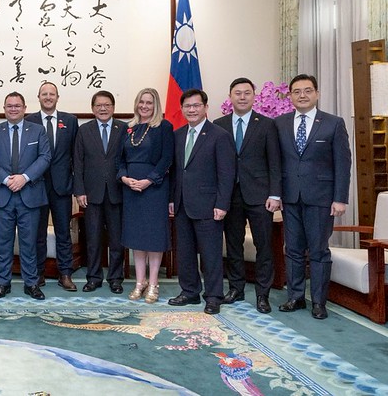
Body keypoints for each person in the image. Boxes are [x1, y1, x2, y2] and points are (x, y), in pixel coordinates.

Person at [275, 74, 351, 320]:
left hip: (321, 198)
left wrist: (340, 198)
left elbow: (343, 164)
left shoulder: (333, 123)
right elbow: (276, 163)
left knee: (318, 251)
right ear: (290, 96)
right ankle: (296, 297)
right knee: (293, 250)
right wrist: (276, 193)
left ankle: (319, 301)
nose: (302, 95)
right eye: (297, 91)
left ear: (317, 93)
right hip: (290, 197)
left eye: (307, 90)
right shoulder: (280, 124)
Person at [213, 77, 281, 314]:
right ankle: (236, 289)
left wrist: (275, 194)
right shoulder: (219, 124)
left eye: (247, 93)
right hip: (230, 195)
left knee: (264, 246)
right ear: (230, 96)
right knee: (233, 245)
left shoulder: (267, 124)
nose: (242, 97)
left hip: (260, 195)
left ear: (254, 96)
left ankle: (263, 294)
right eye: (237, 93)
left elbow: (275, 162)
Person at [168, 89, 236, 315]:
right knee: (185, 252)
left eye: (196, 105)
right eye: (187, 106)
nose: (192, 110)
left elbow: (227, 173)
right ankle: (189, 291)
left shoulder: (219, 135)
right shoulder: (177, 135)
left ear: (206, 107)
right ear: (182, 109)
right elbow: (175, 172)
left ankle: (213, 296)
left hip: (209, 205)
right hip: (182, 204)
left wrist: (222, 204)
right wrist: (172, 199)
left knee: (210, 254)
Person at [0, 92, 51, 300]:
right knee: (3, 243)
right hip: (3, 195)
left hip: (29, 194)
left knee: (29, 243)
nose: (13, 109)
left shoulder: (38, 131)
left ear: (24, 108)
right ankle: (3, 283)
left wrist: (24, 178)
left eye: (17, 106)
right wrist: (6, 180)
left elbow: (45, 157)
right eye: (9, 106)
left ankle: (31, 283)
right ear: (4, 109)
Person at [118, 88, 173, 303]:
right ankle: (139, 282)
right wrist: (124, 178)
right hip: (131, 189)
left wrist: (149, 180)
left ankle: (153, 283)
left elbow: (167, 158)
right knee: (137, 237)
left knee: (153, 237)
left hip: (154, 189)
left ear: (155, 105)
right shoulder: (128, 128)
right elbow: (120, 160)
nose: (144, 106)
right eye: (141, 102)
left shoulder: (164, 127)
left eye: (149, 102)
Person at [25, 82, 78, 291]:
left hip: (62, 187)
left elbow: (76, 155)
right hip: (36, 186)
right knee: (37, 233)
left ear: (57, 97)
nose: (48, 97)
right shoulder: (29, 121)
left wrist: (76, 185)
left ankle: (65, 274)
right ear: (38, 97)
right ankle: (38, 273)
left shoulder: (70, 121)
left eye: (52, 94)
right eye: (44, 94)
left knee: (63, 232)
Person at [73, 90, 127, 294]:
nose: (103, 108)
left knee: (117, 240)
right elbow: (78, 162)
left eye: (107, 105)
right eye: (98, 105)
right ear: (92, 108)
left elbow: (128, 158)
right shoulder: (84, 130)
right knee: (93, 240)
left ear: (113, 107)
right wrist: (79, 191)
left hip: (117, 192)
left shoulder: (124, 128)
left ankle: (115, 278)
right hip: (91, 193)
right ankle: (94, 278)